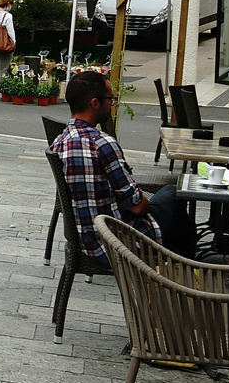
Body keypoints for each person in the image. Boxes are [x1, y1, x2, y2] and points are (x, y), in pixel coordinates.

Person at [50, 70, 192, 272]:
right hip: (116, 241)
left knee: (179, 222)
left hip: (85, 239)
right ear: (94, 103)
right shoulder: (101, 143)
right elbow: (137, 207)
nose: (112, 103)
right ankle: (185, 273)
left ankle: (174, 269)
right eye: (110, 98)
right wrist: (140, 199)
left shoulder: (59, 142)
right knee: (174, 193)